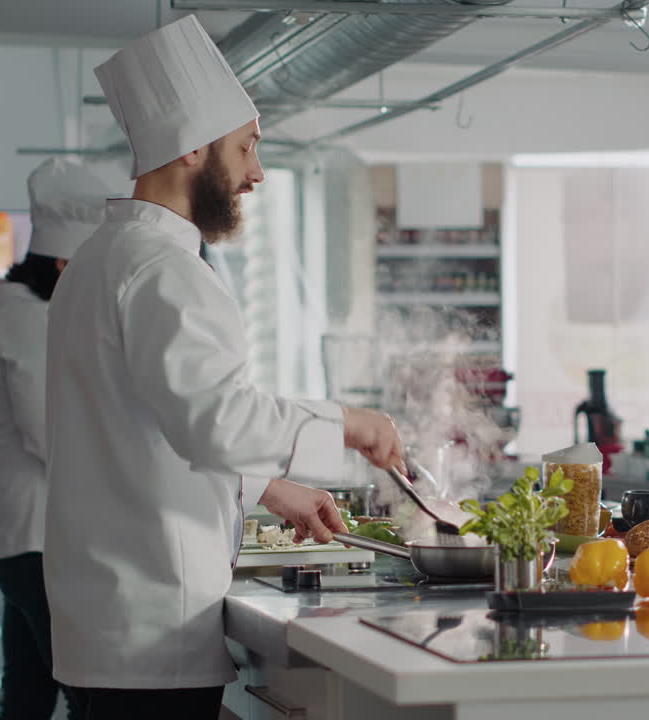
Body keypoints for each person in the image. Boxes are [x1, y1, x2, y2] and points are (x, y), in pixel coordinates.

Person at [43, 15, 405, 719]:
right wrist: (350, 422)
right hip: (151, 623)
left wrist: (269, 488)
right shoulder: (163, 270)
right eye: (246, 149)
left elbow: (148, 425)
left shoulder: (99, 260)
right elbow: (217, 420)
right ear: (191, 150)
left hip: (111, 619)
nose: (256, 174)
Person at [0, 158, 113, 720]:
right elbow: (51, 434)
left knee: (27, 694)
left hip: (25, 535)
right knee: (88, 695)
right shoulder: (26, 323)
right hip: (37, 537)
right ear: (60, 262)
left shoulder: (21, 314)